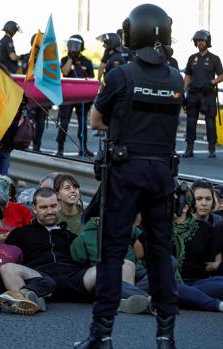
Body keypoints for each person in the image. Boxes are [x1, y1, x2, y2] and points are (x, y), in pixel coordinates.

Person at [74, 5, 183, 349]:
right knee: (160, 252)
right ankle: (166, 336)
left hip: (125, 171)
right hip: (163, 172)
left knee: (112, 252)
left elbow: (95, 121)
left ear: (131, 33)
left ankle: (101, 335)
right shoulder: (177, 78)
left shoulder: (121, 75)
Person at [0, 202, 55, 314]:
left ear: (2, 223)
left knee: (48, 281)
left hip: (7, 281)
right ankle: (26, 299)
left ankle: (18, 297)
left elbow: (21, 271)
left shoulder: (14, 249)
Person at [182, 30, 223, 159]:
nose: (199, 43)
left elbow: (221, 75)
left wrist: (213, 82)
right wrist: (183, 90)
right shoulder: (192, 58)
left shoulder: (214, 59)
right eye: (198, 41)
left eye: (202, 40)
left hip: (208, 94)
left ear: (207, 42)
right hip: (193, 93)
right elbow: (188, 75)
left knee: (210, 121)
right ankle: (189, 148)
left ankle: (211, 149)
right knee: (190, 121)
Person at [57, 34, 95, 158]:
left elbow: (91, 78)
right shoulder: (64, 59)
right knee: (64, 122)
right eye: (71, 45)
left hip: (82, 97)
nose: (73, 48)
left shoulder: (86, 61)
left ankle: (83, 148)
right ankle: (60, 149)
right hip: (67, 96)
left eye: (76, 46)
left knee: (82, 123)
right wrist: (70, 58)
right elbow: (65, 72)